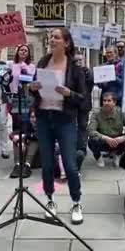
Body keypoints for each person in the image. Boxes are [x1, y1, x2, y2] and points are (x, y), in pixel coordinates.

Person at [29, 27, 86, 225]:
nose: (52, 40)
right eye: (50, 37)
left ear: (67, 43)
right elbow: (35, 90)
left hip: (65, 119)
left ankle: (76, 202)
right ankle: (50, 200)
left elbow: (84, 100)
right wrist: (32, 88)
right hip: (44, 118)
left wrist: (69, 93)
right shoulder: (43, 62)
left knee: (70, 165)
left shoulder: (75, 68)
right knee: (47, 164)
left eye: (56, 37)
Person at [87, 92, 125, 168]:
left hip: (117, 140)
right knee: (91, 140)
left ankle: (117, 155)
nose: (106, 103)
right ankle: (98, 158)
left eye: (109, 101)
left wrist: (123, 138)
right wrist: (106, 138)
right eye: (104, 100)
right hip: (103, 140)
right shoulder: (96, 114)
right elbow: (90, 131)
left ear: (114, 102)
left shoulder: (122, 113)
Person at [75, 52, 94, 171]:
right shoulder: (71, 72)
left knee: (82, 127)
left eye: (80, 60)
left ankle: (82, 149)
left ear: (84, 60)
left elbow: (89, 86)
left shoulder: (88, 73)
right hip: (72, 105)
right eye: (76, 60)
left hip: (84, 105)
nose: (78, 62)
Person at [10, 111, 39, 179]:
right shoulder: (26, 125)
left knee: (34, 141)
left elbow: (39, 136)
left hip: (37, 158)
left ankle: (27, 165)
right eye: (32, 117)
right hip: (23, 157)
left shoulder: (43, 126)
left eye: (36, 117)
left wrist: (26, 136)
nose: (34, 119)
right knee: (17, 138)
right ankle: (17, 165)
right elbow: (12, 135)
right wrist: (18, 141)